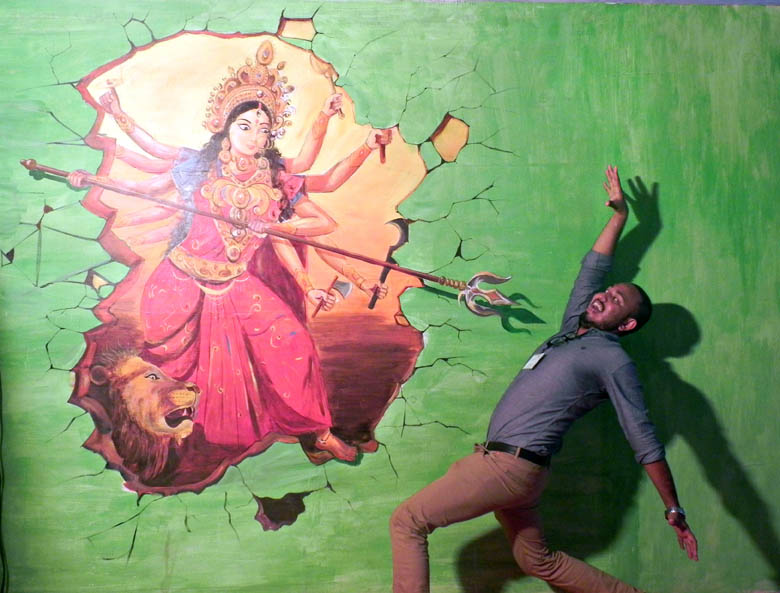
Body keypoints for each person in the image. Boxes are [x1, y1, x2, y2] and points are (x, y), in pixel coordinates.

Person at [69, 41, 390, 463]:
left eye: (263, 130)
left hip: (236, 283)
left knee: (294, 345)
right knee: (167, 368)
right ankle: (156, 435)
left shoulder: (275, 177)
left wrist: (360, 142)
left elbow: (327, 182)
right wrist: (103, 151)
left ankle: (319, 432)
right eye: (246, 126)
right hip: (181, 283)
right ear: (225, 125)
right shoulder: (199, 166)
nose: (255, 137)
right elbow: (152, 157)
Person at [390, 165, 699, 593]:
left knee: (407, 521)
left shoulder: (611, 358)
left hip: (508, 467)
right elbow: (592, 270)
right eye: (608, 291)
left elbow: (643, 438)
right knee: (538, 561)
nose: (604, 295)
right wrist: (620, 217)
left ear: (626, 325)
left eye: (616, 301)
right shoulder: (572, 330)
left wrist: (673, 509)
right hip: (519, 470)